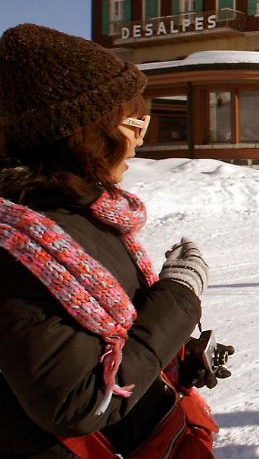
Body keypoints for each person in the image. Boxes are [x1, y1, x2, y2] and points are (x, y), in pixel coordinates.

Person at [0, 23, 222, 457]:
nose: (139, 142)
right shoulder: (18, 246)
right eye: (134, 125)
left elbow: (115, 342)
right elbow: (79, 400)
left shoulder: (84, 217)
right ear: (83, 134)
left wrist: (177, 360)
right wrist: (179, 296)